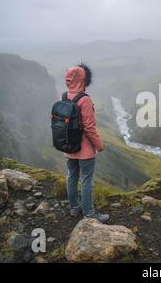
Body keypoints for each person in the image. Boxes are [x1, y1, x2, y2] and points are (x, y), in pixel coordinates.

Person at [63, 64, 109, 223]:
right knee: (87, 180)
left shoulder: (64, 97)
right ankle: (89, 213)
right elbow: (89, 128)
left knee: (72, 177)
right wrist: (99, 145)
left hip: (69, 148)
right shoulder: (85, 100)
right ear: (84, 80)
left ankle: (74, 208)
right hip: (85, 151)